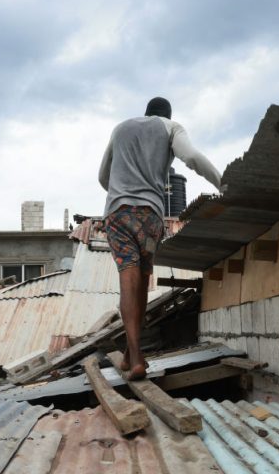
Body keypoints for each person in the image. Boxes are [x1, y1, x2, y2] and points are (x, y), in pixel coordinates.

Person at [98, 97, 222, 380]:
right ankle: (135, 355)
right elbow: (191, 157)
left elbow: (103, 177)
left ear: (145, 113)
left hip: (118, 214)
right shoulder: (170, 127)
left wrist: (121, 187)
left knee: (126, 281)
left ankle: (133, 355)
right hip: (151, 218)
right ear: (167, 114)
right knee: (142, 280)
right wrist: (221, 182)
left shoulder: (120, 128)